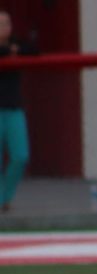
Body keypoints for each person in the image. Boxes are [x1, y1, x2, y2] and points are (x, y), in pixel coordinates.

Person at [0, 10, 34, 213]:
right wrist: (9, 51)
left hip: (13, 108)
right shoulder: (11, 50)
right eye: (1, 23)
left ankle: (5, 197)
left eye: (7, 23)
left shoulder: (17, 45)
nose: (5, 27)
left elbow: (33, 50)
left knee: (20, 155)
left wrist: (14, 49)